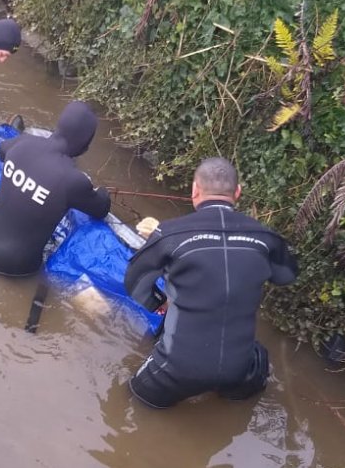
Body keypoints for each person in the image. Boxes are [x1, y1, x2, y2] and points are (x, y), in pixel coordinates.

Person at [123, 157, 298, 408]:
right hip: (239, 369)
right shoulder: (265, 238)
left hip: (177, 367)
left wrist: (159, 303)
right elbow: (286, 276)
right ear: (237, 192)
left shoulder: (169, 234)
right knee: (257, 357)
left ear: (195, 190)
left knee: (133, 401)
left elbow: (134, 284)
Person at [0, 101, 111, 276]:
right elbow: (101, 209)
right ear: (86, 145)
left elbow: (2, 151)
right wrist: (102, 191)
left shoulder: (23, 142)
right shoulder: (73, 180)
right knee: (67, 230)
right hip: (17, 264)